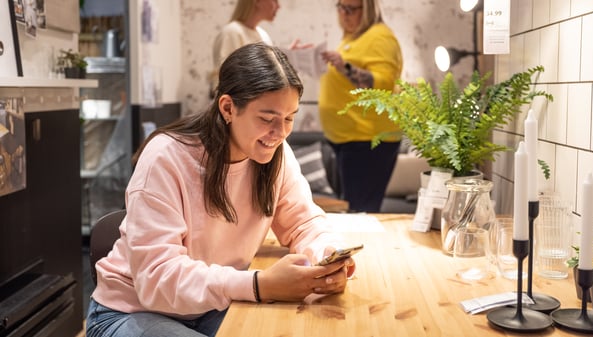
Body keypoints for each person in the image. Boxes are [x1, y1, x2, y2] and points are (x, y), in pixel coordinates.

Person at [85, 43, 356, 337]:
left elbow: (304, 222)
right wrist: (258, 284)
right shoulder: (165, 158)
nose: (280, 132)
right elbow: (157, 279)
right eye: (267, 119)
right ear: (228, 107)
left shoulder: (275, 152)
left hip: (213, 306)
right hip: (132, 312)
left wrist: (325, 256)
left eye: (289, 118)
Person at [319, 0, 403, 212]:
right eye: (340, 7)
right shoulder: (353, 38)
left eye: (351, 9)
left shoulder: (380, 37)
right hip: (350, 140)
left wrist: (344, 67)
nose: (344, 14)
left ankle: (367, 246)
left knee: (360, 214)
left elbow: (383, 85)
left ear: (368, 9)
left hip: (368, 141)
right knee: (352, 211)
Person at [209, 0, 280, 96]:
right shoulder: (231, 33)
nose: (278, 6)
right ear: (257, 2)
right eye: (275, 1)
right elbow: (228, 79)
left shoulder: (263, 35)